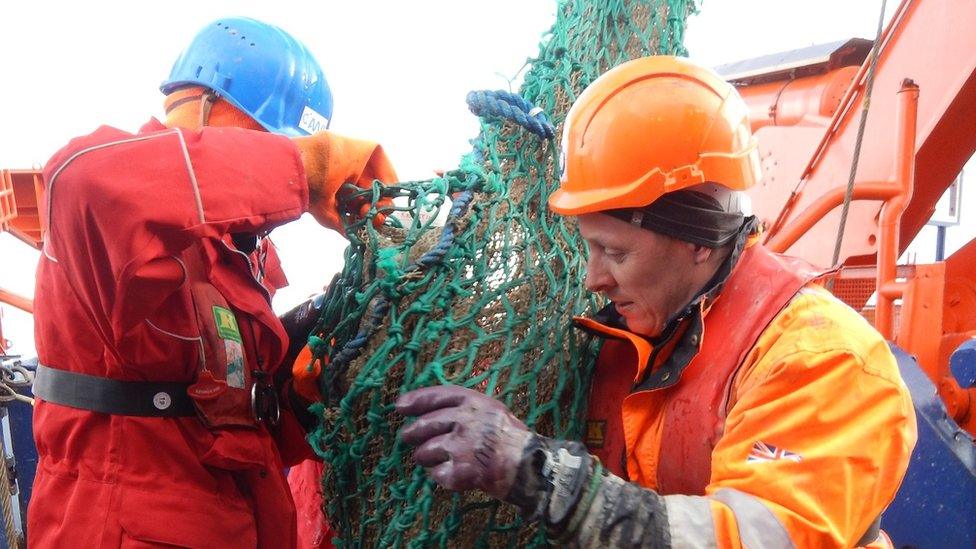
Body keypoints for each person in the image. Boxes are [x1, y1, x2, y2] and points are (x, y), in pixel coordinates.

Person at [395, 56, 917, 548]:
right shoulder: (632, 330)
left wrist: (538, 474)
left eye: (614, 251)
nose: (594, 277)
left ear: (699, 239)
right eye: (587, 246)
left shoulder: (825, 360)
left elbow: (752, 538)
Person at [28, 17, 395, 548]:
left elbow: (233, 434)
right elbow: (84, 183)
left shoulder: (243, 258)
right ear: (199, 110)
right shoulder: (108, 206)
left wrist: (292, 398)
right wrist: (301, 168)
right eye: (265, 141)